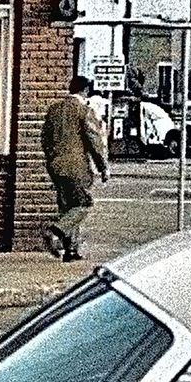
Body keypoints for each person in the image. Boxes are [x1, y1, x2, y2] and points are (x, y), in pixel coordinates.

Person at [41, 75, 108, 261]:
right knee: (84, 204)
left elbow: (45, 139)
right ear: (85, 90)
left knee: (67, 206)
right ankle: (56, 230)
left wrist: (53, 158)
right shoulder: (84, 110)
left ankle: (71, 251)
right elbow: (94, 141)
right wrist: (103, 167)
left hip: (55, 166)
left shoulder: (54, 109)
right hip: (76, 166)